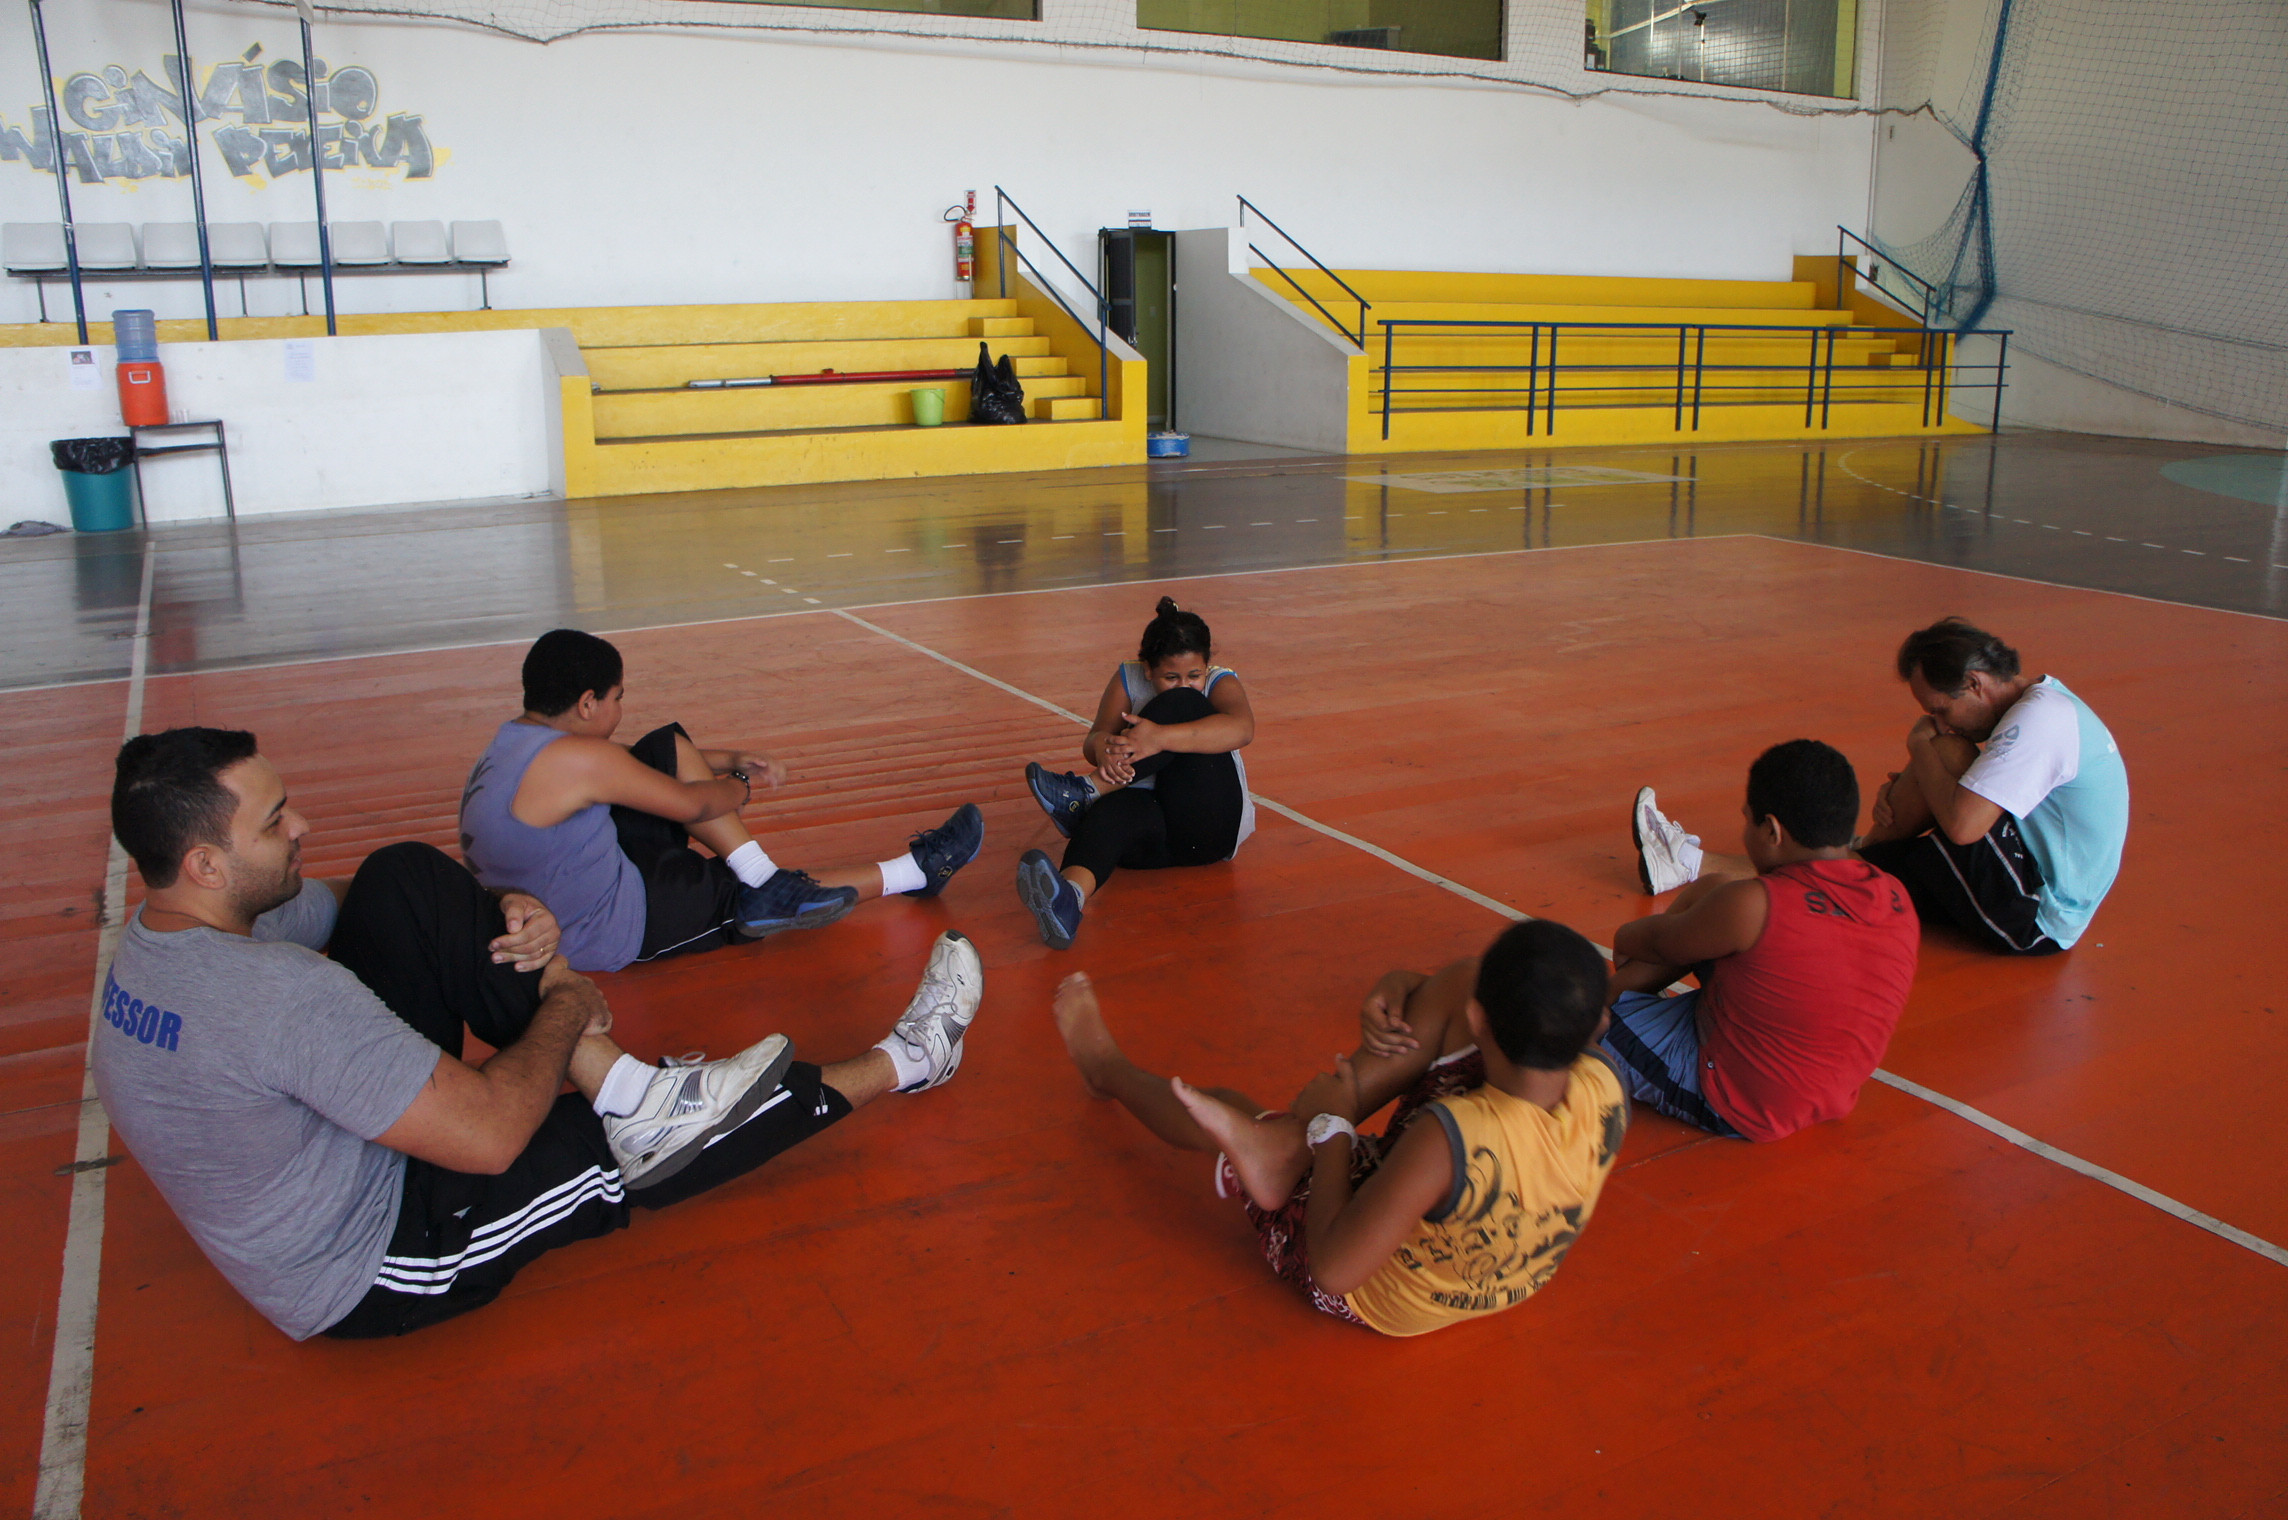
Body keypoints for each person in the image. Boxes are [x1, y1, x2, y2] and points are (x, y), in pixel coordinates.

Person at [96, 727, 984, 1340]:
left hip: (318, 1149)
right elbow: (487, 1137)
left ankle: (636, 1093)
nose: (302, 827)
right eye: (274, 822)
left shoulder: (166, 940)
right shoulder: (276, 996)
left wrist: (498, 909)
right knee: (638, 1148)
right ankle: (913, 1058)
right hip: (378, 1259)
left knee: (401, 876)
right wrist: (566, 1004)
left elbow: (365, 899)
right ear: (206, 863)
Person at [1052, 920, 1626, 1336]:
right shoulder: (1605, 1086)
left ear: (1480, 1020)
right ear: (1596, 1021)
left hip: (1375, 1288)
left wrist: (1333, 1132)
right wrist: (1410, 982)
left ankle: (1110, 1072)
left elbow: (1334, 1269)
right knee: (1464, 977)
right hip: (1489, 1262)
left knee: (1233, 1112)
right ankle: (1286, 1142)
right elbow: (1481, 997)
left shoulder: (1451, 1137)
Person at [461, 628, 984, 973]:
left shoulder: (513, 744)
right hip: (610, 925)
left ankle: (766, 880)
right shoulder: (580, 761)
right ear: (586, 702)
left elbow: (632, 765)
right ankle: (917, 870)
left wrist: (728, 753)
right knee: (748, 902)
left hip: (576, 880)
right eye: (618, 698)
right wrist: (739, 782)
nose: (622, 708)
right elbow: (692, 806)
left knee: (665, 745)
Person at [1634, 618, 2128, 956]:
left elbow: (1962, 826)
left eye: (1940, 708)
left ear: (1977, 684)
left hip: (2038, 916)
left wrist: (1919, 748)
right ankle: (1691, 864)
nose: (1940, 721)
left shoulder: (2040, 720)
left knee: (1946, 755)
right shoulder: (2039, 707)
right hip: (2021, 874)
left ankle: (1855, 850)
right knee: (1860, 870)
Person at [1594, 740, 1919, 1141]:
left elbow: (1639, 941)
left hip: (1742, 1102)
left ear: (1772, 830)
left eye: (1748, 821)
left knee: (1555, 1023)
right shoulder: (1896, 896)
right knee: (1715, 891)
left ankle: (1599, 1014)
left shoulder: (1757, 905)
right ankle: (1616, 1005)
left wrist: (1641, 939)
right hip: (1831, 1090)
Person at [1017, 597, 1257, 949]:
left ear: (1208, 665)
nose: (1185, 681)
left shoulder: (1217, 682)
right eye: (1170, 676)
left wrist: (1158, 737)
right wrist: (1105, 749)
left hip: (1206, 828)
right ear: (1148, 669)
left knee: (1184, 702)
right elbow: (1093, 739)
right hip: (1152, 840)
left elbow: (1243, 729)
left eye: (1195, 674)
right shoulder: (1128, 677)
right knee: (1111, 812)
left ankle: (1087, 790)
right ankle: (1068, 900)